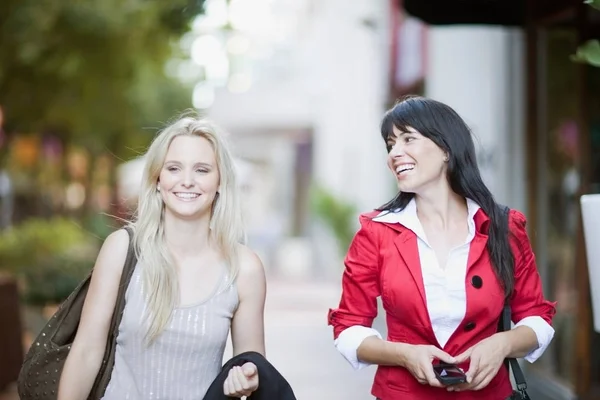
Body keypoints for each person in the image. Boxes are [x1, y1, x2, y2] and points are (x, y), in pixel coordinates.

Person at [327, 96, 556, 400]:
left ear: (446, 149)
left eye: (408, 138)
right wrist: (404, 354)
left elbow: (536, 318)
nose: (395, 153)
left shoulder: (504, 226)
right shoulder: (376, 233)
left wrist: (502, 344)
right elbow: (348, 328)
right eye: (390, 144)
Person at [58, 116, 267, 399]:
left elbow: (252, 366)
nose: (187, 181)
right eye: (174, 168)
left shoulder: (244, 268)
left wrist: (245, 379)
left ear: (220, 182)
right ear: (158, 179)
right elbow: (86, 352)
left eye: (202, 170)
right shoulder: (122, 249)